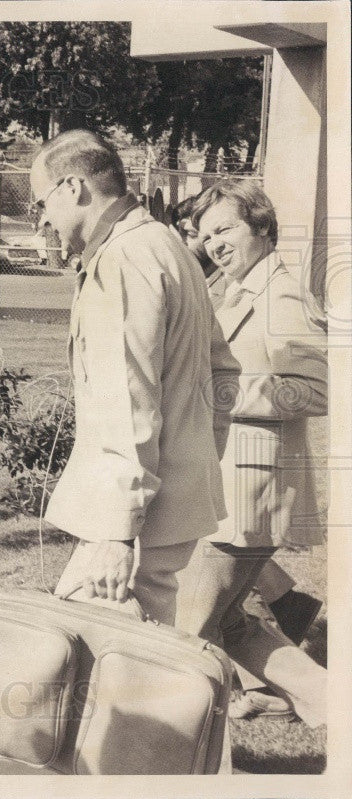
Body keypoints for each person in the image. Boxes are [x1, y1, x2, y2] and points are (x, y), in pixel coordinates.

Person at [32, 130, 240, 626]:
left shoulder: (124, 256)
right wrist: (193, 456)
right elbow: (224, 372)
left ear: (73, 187)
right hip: (167, 505)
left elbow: (128, 402)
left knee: (90, 665)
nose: (42, 219)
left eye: (41, 202)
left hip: (134, 521)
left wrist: (117, 534)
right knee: (132, 667)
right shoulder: (165, 242)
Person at [175, 180, 328, 729]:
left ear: (262, 227)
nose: (213, 243)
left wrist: (216, 393)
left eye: (226, 229)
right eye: (206, 234)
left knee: (185, 630)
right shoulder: (234, 290)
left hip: (249, 494)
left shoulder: (281, 295)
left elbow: (318, 388)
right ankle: (334, 701)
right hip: (226, 488)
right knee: (233, 625)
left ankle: (169, 744)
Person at [171, 194, 226, 309]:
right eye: (179, 233)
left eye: (191, 234)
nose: (182, 242)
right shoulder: (178, 282)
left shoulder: (226, 293)